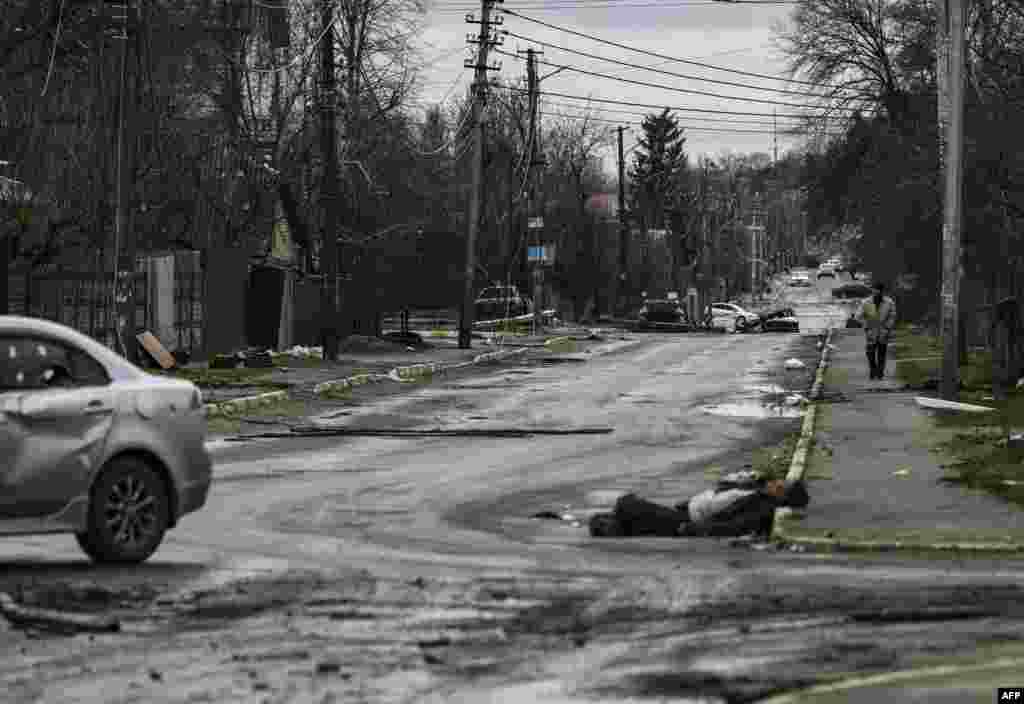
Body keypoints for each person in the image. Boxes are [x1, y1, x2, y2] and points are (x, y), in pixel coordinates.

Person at [857, 281, 897, 380]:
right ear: (872, 291)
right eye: (874, 290)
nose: (876, 292)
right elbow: (859, 316)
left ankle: (880, 373)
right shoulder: (866, 302)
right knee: (870, 353)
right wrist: (866, 325)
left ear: (882, 291)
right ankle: (873, 369)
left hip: (883, 331)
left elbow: (892, 316)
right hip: (871, 331)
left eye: (878, 290)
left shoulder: (889, 302)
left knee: (881, 353)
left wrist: (887, 327)